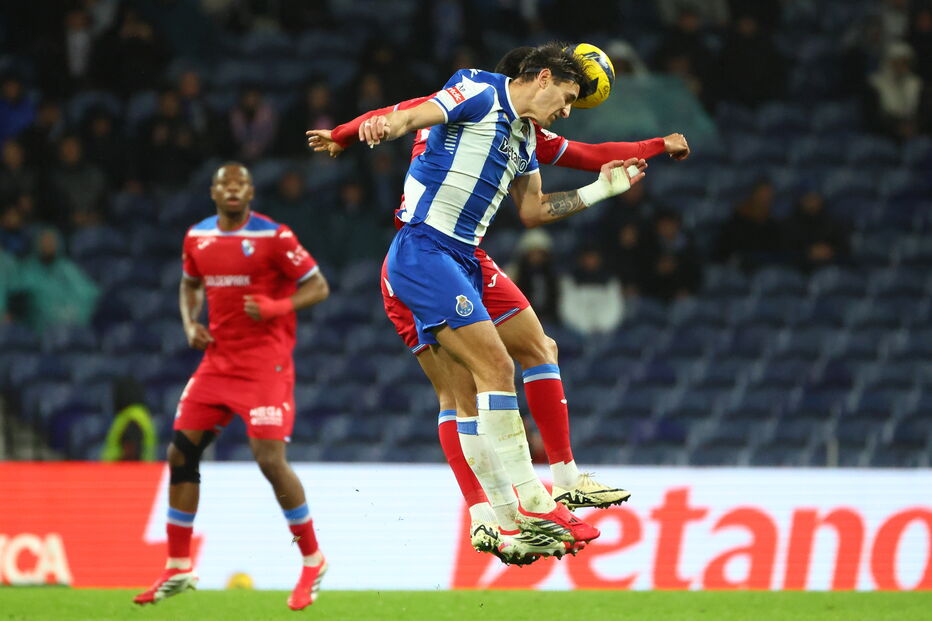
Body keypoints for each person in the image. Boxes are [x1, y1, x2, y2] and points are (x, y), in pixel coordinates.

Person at [308, 45, 689, 561]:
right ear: (545, 76)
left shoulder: (527, 137)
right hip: (425, 247)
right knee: (484, 373)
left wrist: (606, 187)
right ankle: (521, 505)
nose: (569, 110)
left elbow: (538, 205)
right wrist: (365, 130)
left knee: (538, 346)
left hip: (467, 257)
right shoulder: (479, 90)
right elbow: (417, 111)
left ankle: (557, 483)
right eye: (569, 98)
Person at [133, 163, 330, 610]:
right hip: (217, 362)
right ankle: (179, 566)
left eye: (241, 183)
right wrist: (189, 323)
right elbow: (188, 286)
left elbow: (319, 287)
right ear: (214, 192)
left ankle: (312, 559)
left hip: (265, 365)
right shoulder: (196, 238)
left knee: (268, 460)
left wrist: (277, 305)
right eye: (226, 184)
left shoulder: (275, 237)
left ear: (251, 192)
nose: (233, 190)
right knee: (180, 452)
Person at [101, 376, 157, 462]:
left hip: (123, 474)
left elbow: (131, 452)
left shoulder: (130, 419)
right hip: (144, 472)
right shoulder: (143, 417)